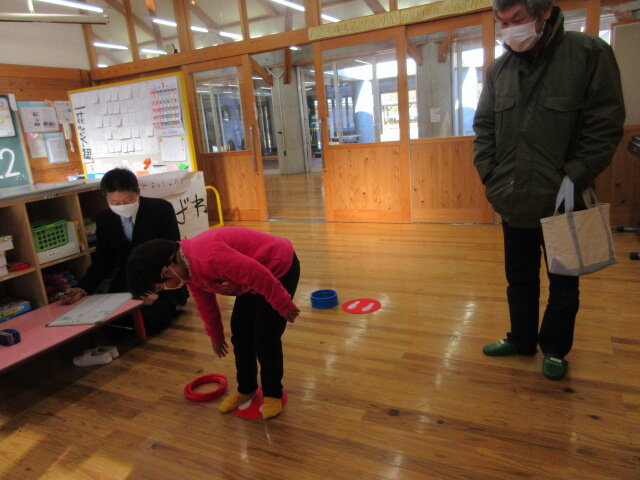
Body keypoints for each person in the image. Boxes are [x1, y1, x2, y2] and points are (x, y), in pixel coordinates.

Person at [473, 0, 625, 379]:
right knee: (519, 278)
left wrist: (576, 175)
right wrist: (490, 175)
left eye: (518, 19)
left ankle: (555, 350)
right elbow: (484, 128)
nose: (510, 29)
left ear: (544, 13)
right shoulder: (499, 70)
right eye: (503, 22)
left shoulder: (588, 53)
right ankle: (521, 339)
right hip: (513, 198)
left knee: (564, 283)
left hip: (564, 199)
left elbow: (605, 124)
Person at [126, 227, 300, 419]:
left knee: (265, 338)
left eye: (160, 286)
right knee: (241, 335)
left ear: (168, 270)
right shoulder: (188, 270)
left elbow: (259, 274)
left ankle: (273, 393)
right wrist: (216, 336)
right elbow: (206, 305)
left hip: (277, 266)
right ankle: (246, 388)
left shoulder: (209, 258)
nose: (163, 289)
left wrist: (284, 305)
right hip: (250, 279)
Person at [61, 168, 188, 335]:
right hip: (128, 278)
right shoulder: (105, 219)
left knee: (150, 321)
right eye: (115, 202)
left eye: (128, 200)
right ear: (105, 197)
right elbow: (103, 259)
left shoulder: (160, 209)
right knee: (112, 321)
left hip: (161, 277)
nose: (122, 206)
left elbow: (171, 252)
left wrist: (156, 287)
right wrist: (82, 288)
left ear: (138, 192)